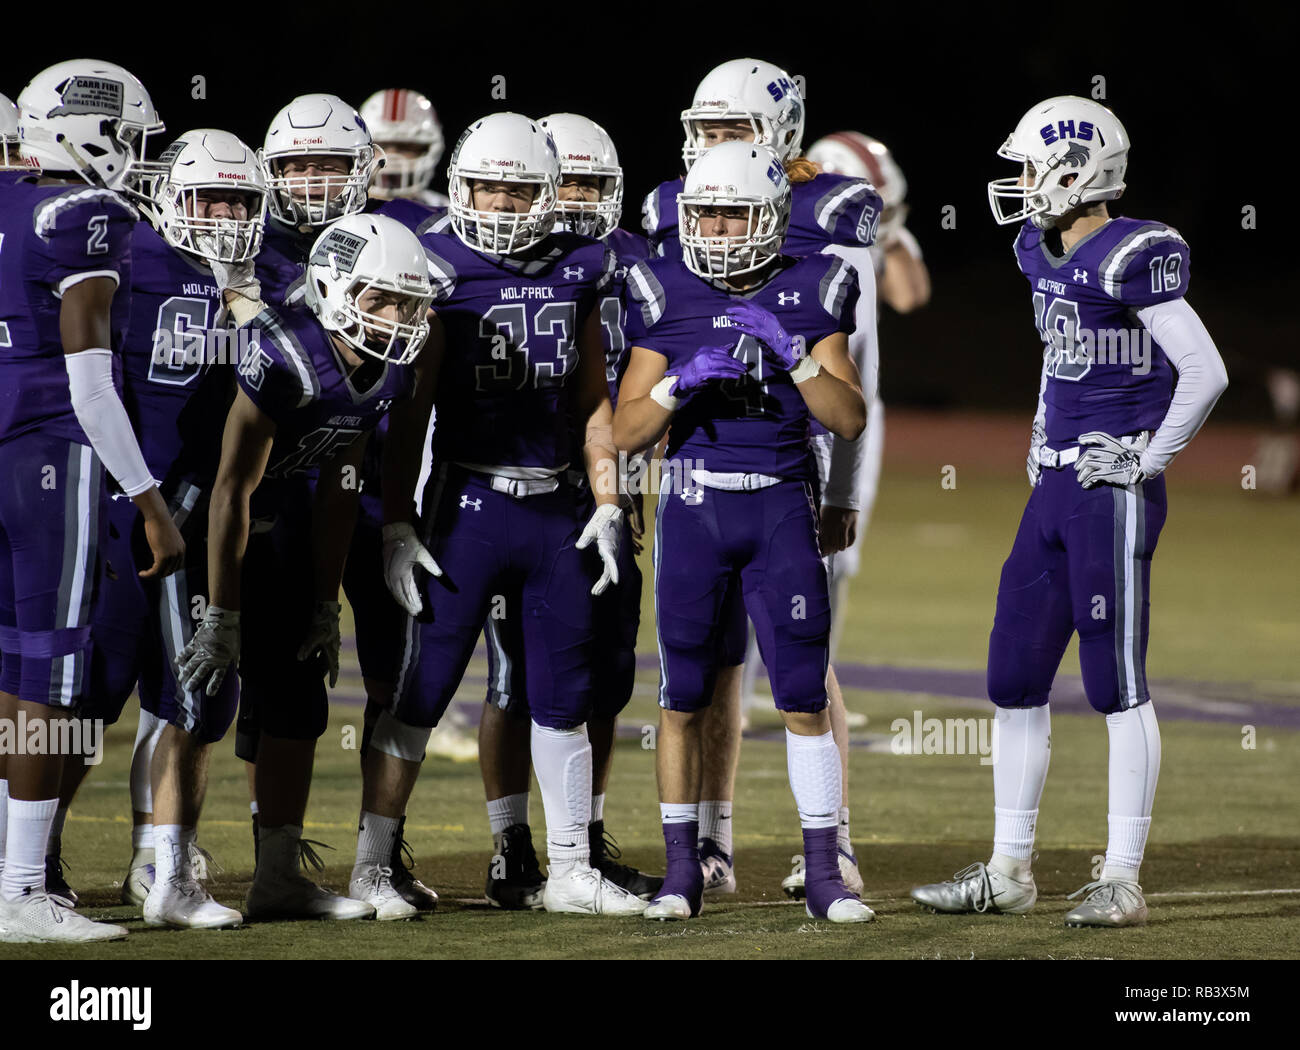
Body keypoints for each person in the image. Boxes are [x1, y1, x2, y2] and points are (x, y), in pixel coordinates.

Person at [910, 96, 1228, 927]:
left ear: (1075, 169)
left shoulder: (1135, 253)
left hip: (1107, 492)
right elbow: (1065, 354)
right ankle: (1010, 869)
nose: (1017, 184)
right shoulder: (1039, 250)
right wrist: (1043, 425)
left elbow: (1205, 370)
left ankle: (1122, 876)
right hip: (1052, 486)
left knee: (1115, 685)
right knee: (1013, 678)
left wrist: (1147, 459)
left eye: (1028, 166)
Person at [363, 111, 645, 916]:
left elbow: (595, 404)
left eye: (518, 189)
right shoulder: (439, 264)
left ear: (549, 195)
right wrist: (397, 521)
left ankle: (567, 870)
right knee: (420, 694)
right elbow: (409, 415)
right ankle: (373, 867)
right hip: (469, 503)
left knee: (562, 697)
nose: (499, 203)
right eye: (486, 186)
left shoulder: (580, 266)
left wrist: (607, 500)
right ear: (460, 185)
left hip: (556, 505)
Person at [642, 57, 882, 901]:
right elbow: (663, 341)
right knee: (708, 664)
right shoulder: (677, 212)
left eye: (729, 131)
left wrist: (847, 485)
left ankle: (834, 846)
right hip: (705, 471)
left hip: (794, 461)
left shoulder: (828, 215)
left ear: (778, 135)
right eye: (702, 130)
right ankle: (710, 843)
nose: (711, 149)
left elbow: (857, 375)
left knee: (804, 667)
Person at [176, 211, 435, 922]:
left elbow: (339, 487)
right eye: (381, 300)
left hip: (286, 521)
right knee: (192, 701)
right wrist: (223, 613)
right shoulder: (285, 352)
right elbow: (230, 489)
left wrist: (326, 601)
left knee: (297, 702)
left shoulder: (386, 375)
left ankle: (278, 875)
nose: (396, 318)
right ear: (331, 289)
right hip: (203, 525)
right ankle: (166, 869)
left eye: (407, 303)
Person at [0, 59, 182, 943]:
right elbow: (92, 385)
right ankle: (23, 887)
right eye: (133, 140)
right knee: (54, 672)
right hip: (50, 456)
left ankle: (10, 870)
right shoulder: (85, 216)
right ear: (92, 132)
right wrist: (149, 500)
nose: (138, 160)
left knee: (9, 667)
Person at [469, 112, 661, 907]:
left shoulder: (635, 265)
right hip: (533, 483)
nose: (579, 199)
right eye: (567, 181)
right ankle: (512, 844)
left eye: (592, 183)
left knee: (605, 678)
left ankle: (582, 838)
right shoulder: (508, 262)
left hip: (610, 485)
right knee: (516, 679)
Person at [85, 129, 269, 928]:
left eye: (240, 200)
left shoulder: (273, 278)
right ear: (170, 199)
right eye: (209, 198)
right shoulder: (127, 264)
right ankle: (32, 864)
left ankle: (163, 869)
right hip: (121, 515)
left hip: (209, 516)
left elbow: (291, 380)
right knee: (80, 700)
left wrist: (248, 296)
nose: (225, 215)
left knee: (192, 699)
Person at [358, 88, 449, 210]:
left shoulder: (448, 212)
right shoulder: (341, 210)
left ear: (429, 150)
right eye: (381, 146)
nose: (391, 156)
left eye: (406, 147)